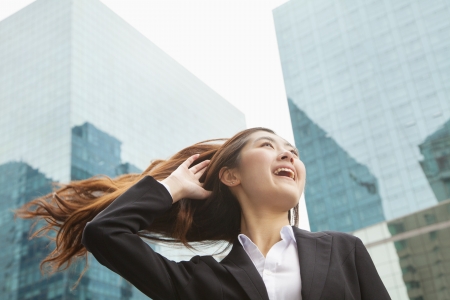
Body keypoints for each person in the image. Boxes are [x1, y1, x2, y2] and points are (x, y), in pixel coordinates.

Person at [17, 127, 391, 300]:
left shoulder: (344, 251)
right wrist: (172, 187)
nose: (288, 154)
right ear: (231, 175)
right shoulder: (201, 282)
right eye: (268, 145)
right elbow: (105, 233)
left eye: (292, 150)